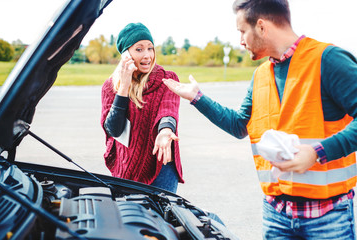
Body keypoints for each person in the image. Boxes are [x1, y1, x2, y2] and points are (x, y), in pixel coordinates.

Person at [163, 0, 357, 239]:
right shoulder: (260, 75)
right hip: (276, 214)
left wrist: (318, 152)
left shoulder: (328, 60)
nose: (240, 41)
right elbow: (238, 126)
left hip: (328, 217)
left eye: (242, 31)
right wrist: (196, 97)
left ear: (262, 27)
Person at [101, 22, 184, 193]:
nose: (147, 55)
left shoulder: (167, 78)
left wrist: (165, 130)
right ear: (126, 54)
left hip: (161, 166)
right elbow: (113, 130)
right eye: (139, 49)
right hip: (126, 166)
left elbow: (168, 109)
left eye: (150, 48)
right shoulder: (110, 87)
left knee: (161, 218)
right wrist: (123, 87)